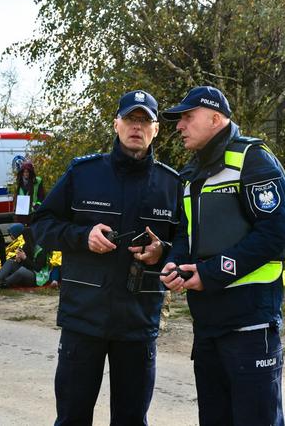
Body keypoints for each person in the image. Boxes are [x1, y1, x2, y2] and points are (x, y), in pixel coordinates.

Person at [32, 89, 182, 426]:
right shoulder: (84, 174)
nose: (136, 127)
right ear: (116, 124)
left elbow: (186, 243)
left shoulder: (172, 184)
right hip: (83, 319)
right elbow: (41, 224)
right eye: (130, 119)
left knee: (131, 420)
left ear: (156, 130)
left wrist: (162, 252)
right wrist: (82, 237)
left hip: (138, 322)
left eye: (145, 121)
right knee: (72, 417)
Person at [160, 86, 285, 426]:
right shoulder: (191, 174)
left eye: (188, 117)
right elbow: (184, 234)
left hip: (250, 322)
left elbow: (275, 233)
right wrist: (174, 263)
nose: (180, 126)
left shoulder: (253, 161)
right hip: (207, 324)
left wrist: (211, 273)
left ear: (216, 118)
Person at [0, 223, 49, 289]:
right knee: (10, 262)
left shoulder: (41, 250)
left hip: (37, 277)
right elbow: (26, 264)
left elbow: (38, 268)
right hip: (27, 273)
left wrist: (24, 258)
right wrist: (19, 260)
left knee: (22, 270)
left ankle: (4, 284)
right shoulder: (26, 247)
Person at [13, 160, 45, 225]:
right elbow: (16, 196)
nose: (26, 174)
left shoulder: (38, 181)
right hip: (21, 212)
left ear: (31, 172)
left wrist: (37, 205)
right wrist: (15, 208)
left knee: (31, 231)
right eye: (24, 172)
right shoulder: (19, 182)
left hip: (33, 211)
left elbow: (41, 196)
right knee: (22, 232)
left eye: (27, 172)